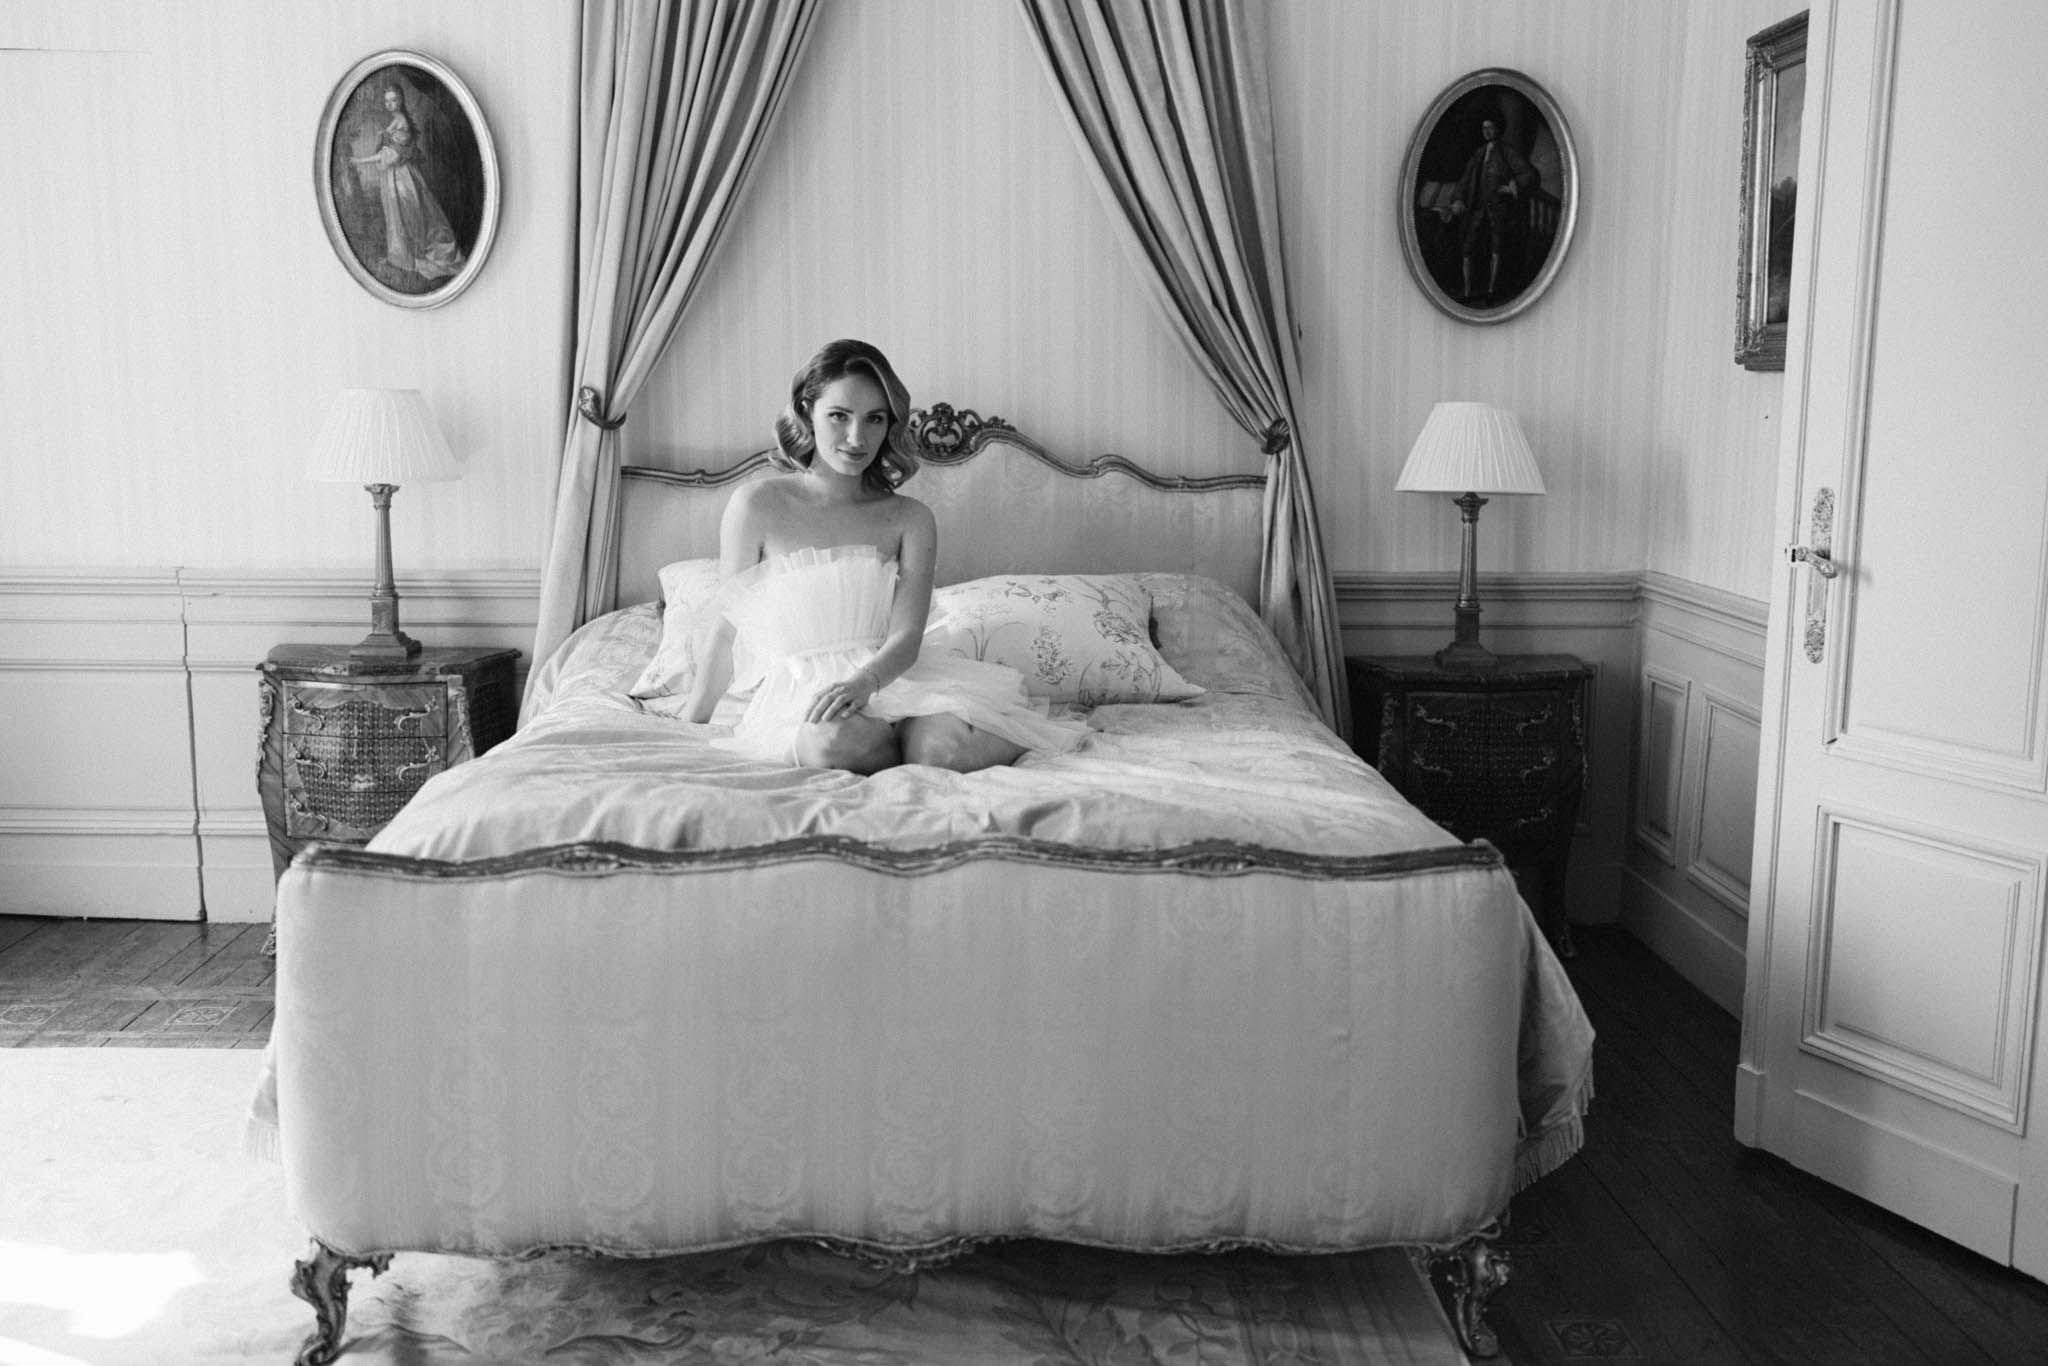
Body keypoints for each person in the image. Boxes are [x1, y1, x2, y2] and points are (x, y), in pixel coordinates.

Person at [681, 339, 1088, 774]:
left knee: (941, 753)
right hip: (807, 688)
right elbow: (727, 630)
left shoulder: (910, 518)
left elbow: (906, 636)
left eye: (875, 419)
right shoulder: (756, 504)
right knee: (833, 744)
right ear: (806, 412)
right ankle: (897, 746)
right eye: (839, 416)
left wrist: (866, 682)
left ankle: (933, 739)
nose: (857, 439)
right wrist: (693, 721)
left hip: (892, 675)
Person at [351, 82, 465, 285]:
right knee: (398, 218)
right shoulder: (395, 119)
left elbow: (391, 156)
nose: (390, 104)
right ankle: (401, 257)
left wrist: (359, 161)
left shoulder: (402, 123)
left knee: (409, 217)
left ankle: (415, 258)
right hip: (393, 178)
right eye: (387, 101)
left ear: (401, 100)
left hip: (403, 180)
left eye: (394, 100)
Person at [1449, 112, 1537, 303]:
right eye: (1484, 128)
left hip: (1499, 210)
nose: (1486, 131)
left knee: (1497, 248)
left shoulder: (1507, 152)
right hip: (1478, 209)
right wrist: (1457, 199)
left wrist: (1511, 187)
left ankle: (1491, 292)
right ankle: (1467, 292)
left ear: (1498, 129)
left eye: (1490, 127)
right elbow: (1465, 180)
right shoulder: (1479, 153)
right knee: (1468, 248)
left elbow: (1528, 175)